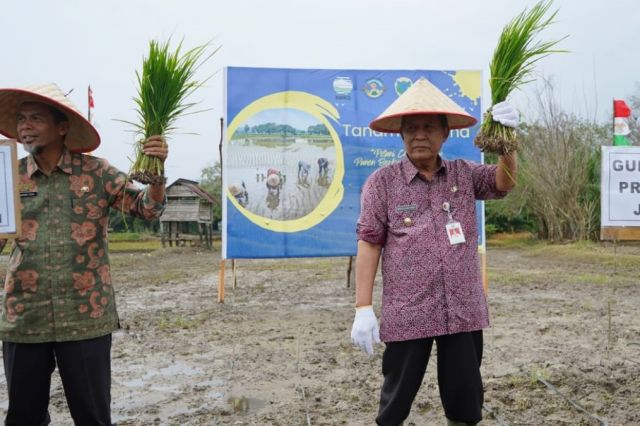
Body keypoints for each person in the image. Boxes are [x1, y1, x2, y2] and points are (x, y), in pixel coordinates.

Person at [349, 78, 519, 426]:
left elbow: (504, 183)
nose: (419, 135)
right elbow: (369, 243)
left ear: (445, 133)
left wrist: (508, 143)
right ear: (400, 135)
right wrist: (363, 307)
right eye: (411, 128)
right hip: (408, 311)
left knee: (465, 402)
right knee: (395, 402)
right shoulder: (383, 183)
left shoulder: (464, 174)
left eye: (428, 127)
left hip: (462, 310)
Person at [0, 83, 168, 425]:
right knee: (22, 417)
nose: (25, 126)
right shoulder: (9, 177)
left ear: (62, 127)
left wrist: (158, 174)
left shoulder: (97, 172)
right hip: (25, 316)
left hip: (86, 317)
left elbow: (147, 209)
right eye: (21, 119)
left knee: (92, 416)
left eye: (35, 118)